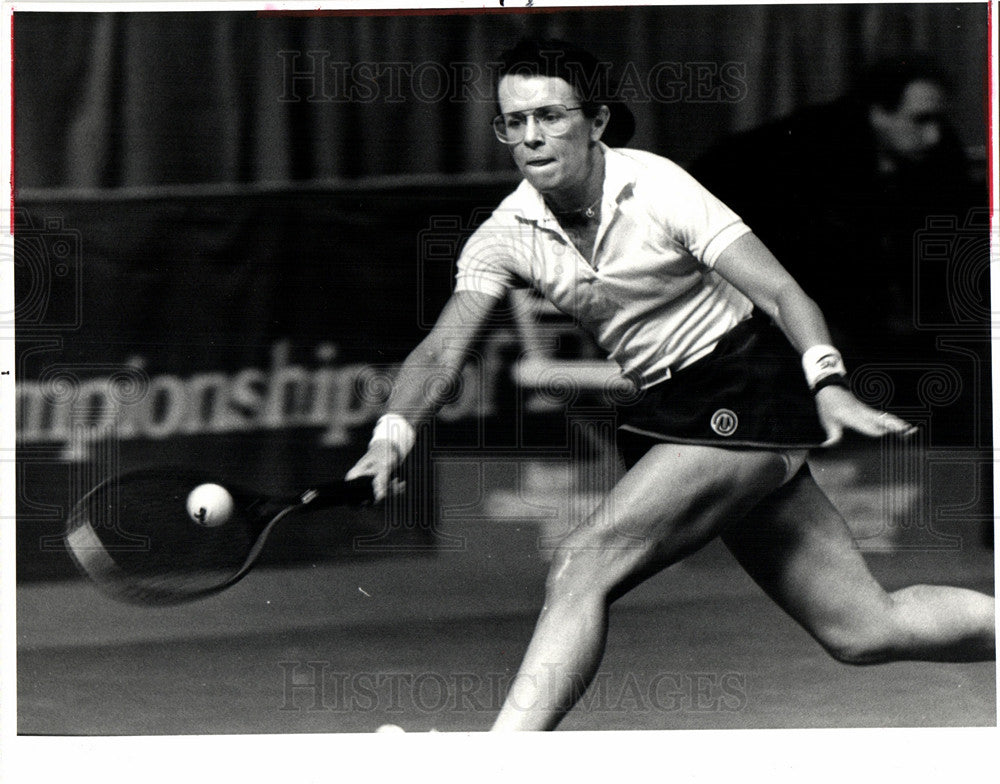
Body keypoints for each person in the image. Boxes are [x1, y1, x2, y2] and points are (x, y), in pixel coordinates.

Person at [346, 39, 995, 731]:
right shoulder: (505, 235)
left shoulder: (656, 186)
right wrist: (392, 435)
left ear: (595, 121)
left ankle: (500, 765)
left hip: (746, 385)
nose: (530, 136)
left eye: (550, 115)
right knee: (864, 629)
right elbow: (443, 348)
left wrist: (827, 379)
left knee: (582, 564)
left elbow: (780, 292)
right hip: (673, 408)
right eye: (513, 121)